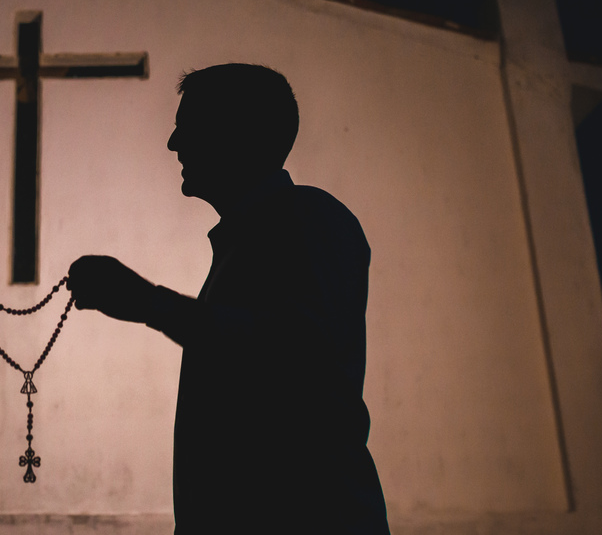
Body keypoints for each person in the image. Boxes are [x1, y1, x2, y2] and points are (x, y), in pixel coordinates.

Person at [68, 63, 390, 534]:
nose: (173, 143)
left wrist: (148, 303)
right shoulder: (256, 237)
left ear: (236, 134)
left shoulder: (310, 219)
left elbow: (291, 353)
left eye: (187, 126)